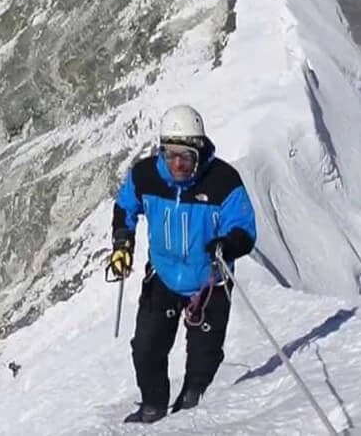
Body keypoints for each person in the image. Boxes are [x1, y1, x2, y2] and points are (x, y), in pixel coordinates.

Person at [108, 105, 258, 424]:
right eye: (171, 153)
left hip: (210, 283)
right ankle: (153, 405)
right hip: (163, 277)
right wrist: (123, 241)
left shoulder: (223, 182)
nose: (177, 163)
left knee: (203, 355)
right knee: (147, 347)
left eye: (186, 156)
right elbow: (125, 206)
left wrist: (227, 244)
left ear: (199, 153)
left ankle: (190, 405)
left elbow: (244, 228)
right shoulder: (146, 176)